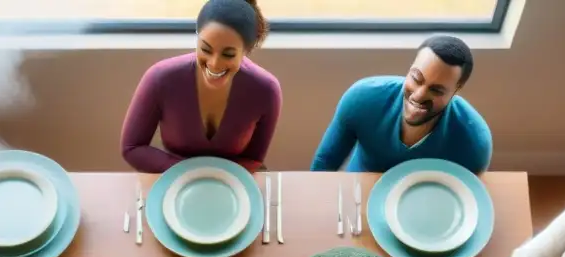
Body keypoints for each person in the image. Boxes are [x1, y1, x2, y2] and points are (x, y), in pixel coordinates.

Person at [121, 0, 282, 173]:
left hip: (231, 186)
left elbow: (253, 159)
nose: (214, 63)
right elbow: (132, 147)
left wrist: (213, 178)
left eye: (228, 54)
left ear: (246, 51)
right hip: (175, 182)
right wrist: (191, 173)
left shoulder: (266, 91)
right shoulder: (160, 78)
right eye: (206, 49)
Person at [310, 35, 491, 174]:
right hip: (359, 197)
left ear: (456, 90)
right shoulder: (362, 98)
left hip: (425, 212)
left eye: (436, 90)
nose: (419, 95)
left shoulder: (474, 142)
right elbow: (325, 162)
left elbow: (464, 198)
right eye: (416, 78)